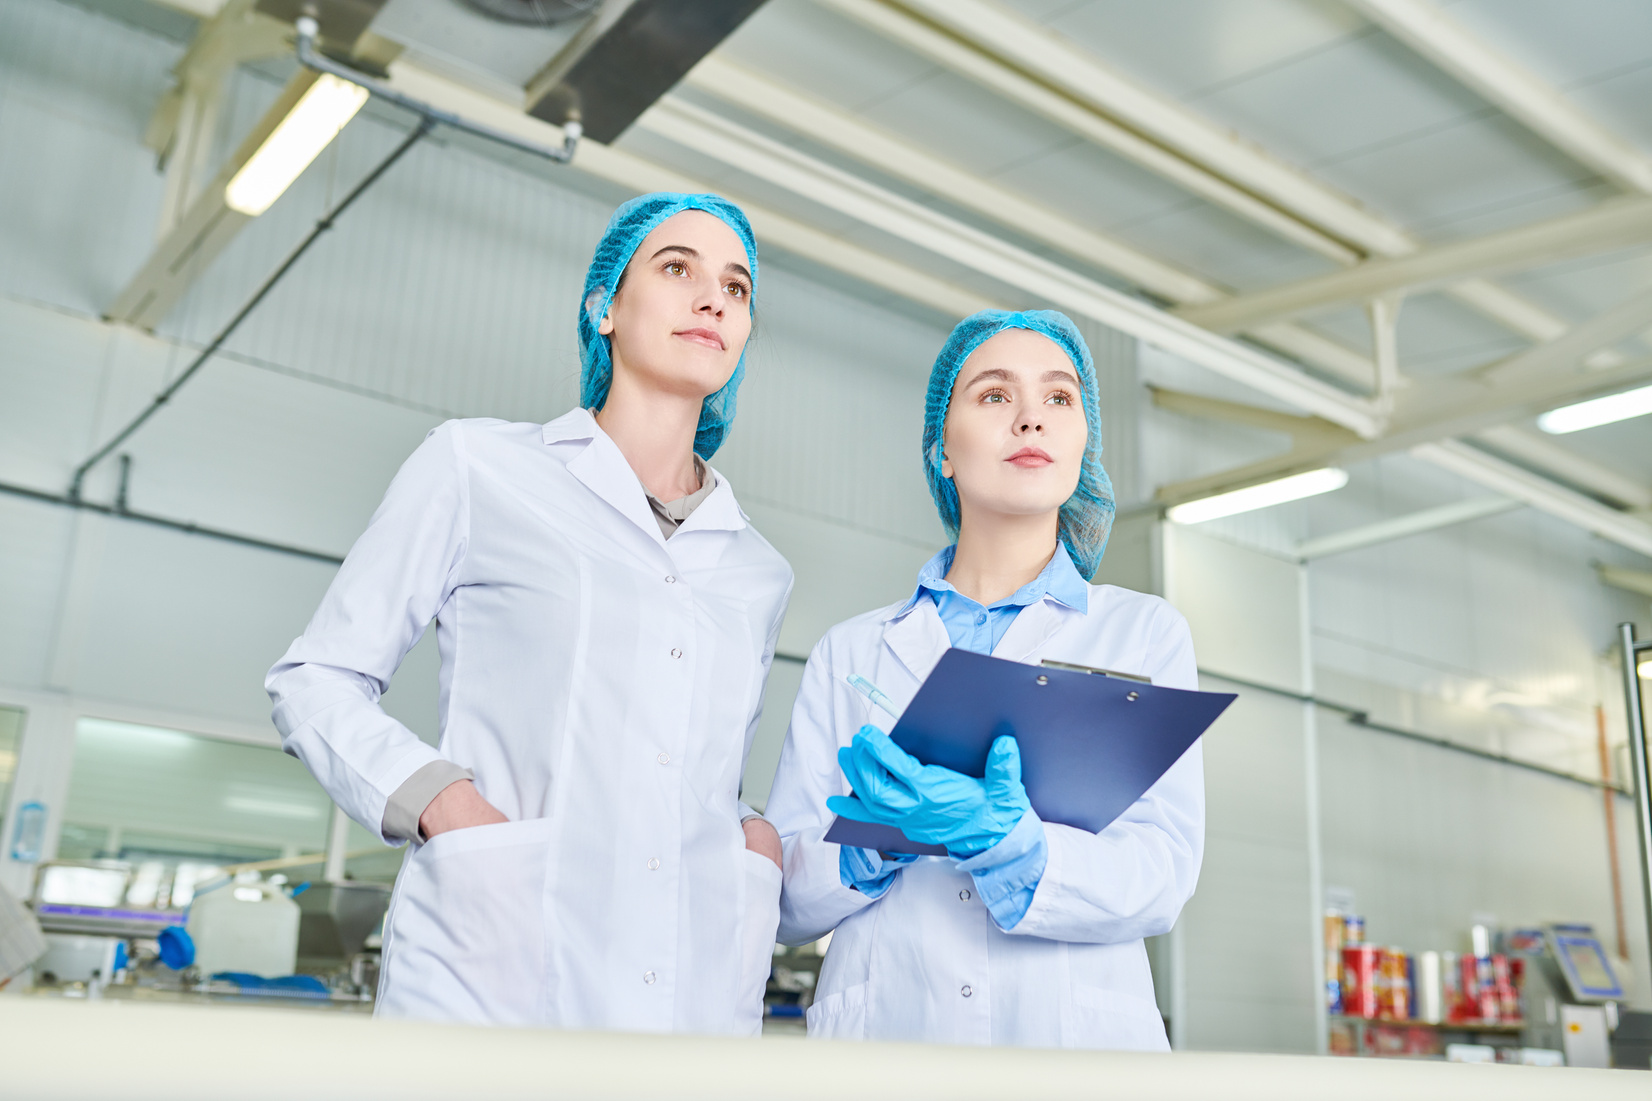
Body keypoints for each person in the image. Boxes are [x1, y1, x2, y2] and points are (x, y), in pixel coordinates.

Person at [266, 192, 792, 1033]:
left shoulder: (757, 568)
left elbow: (695, 769)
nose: (712, 298)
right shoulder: (478, 467)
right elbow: (315, 678)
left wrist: (753, 841)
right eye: (677, 268)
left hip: (689, 992)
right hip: (495, 965)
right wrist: (440, 799)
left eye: (736, 287)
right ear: (605, 308)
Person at [765, 309, 1203, 1049]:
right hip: (891, 1040)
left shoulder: (1143, 634)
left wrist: (1019, 846)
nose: (1032, 417)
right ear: (941, 447)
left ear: (1082, 441)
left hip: (1073, 1049)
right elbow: (783, 899)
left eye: (1059, 398)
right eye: (996, 395)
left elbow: (1162, 872)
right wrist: (865, 846)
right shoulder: (853, 652)